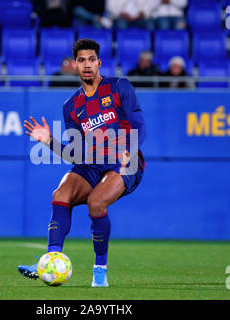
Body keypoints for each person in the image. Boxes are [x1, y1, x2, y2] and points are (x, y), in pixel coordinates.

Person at [19, 39, 146, 287]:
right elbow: (74, 155)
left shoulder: (120, 86)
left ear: (99, 62)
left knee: (96, 202)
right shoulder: (71, 106)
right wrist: (49, 141)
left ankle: (100, 271)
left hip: (125, 161)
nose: (86, 65)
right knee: (61, 192)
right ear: (75, 65)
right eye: (81, 60)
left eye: (91, 59)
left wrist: (130, 149)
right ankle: (50, 259)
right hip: (91, 162)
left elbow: (139, 124)